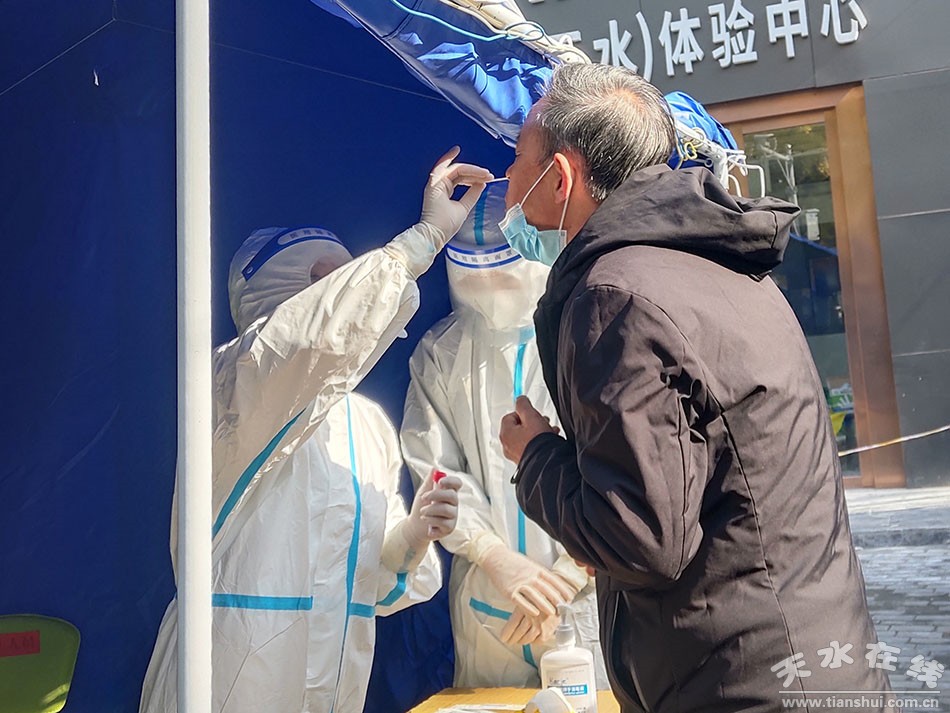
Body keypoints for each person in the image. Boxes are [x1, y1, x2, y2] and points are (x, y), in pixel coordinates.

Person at [496, 63, 891, 712]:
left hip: (737, 682)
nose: (508, 181)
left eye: (516, 159)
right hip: (809, 658)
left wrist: (536, 454)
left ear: (561, 177)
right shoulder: (725, 264)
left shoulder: (614, 295)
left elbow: (640, 538)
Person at [140, 149, 490, 713]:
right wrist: (420, 242)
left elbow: (369, 581)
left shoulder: (367, 425)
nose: (352, 297)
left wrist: (412, 535)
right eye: (327, 283)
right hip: (228, 685)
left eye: (348, 278)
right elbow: (309, 343)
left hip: (334, 687)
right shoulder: (231, 387)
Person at [401, 183, 607, 689]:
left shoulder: (586, 334)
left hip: (588, 594)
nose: (491, 294)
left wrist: (568, 574)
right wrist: (496, 558)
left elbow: (618, 465)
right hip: (491, 600)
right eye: (476, 280)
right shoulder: (442, 352)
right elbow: (436, 472)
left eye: (504, 276)